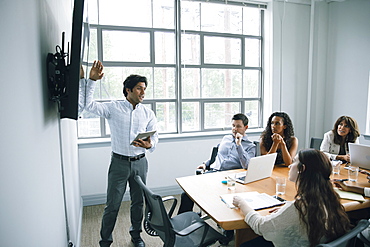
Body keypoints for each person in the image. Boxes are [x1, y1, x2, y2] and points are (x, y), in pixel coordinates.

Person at [80, 61, 159, 247]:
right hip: (119, 163)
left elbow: (155, 136)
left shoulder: (148, 113)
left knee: (138, 202)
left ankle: (136, 235)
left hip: (140, 162)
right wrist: (92, 80)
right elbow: (88, 105)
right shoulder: (113, 108)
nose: (143, 92)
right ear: (128, 90)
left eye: (144, 89)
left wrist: (150, 144)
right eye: (139, 88)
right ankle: (105, 240)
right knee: (112, 205)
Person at [233, 149, 351, 247]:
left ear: (302, 169)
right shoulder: (327, 196)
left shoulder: (299, 207)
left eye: (294, 161)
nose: (290, 165)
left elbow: (261, 226)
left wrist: (242, 203)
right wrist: (286, 209)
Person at [178, 113, 256, 244]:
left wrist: (239, 144)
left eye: (238, 126)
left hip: (229, 179)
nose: (234, 129)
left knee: (226, 201)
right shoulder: (225, 138)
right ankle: (181, 225)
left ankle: (228, 231)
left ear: (246, 127)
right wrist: (206, 163)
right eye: (233, 126)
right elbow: (216, 155)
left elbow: (247, 165)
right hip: (212, 174)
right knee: (186, 194)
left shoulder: (250, 146)